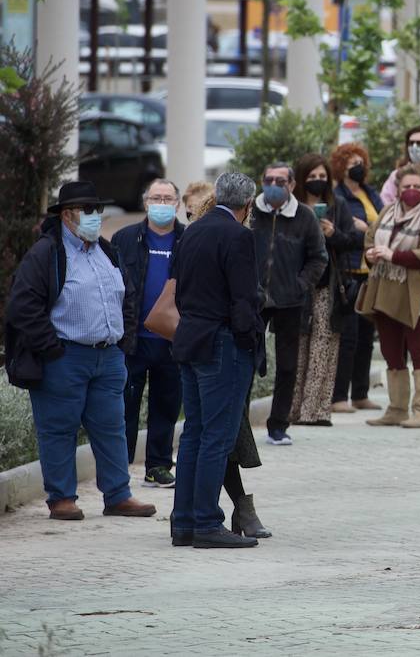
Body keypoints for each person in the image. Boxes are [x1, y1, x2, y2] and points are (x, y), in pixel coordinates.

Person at [4, 181, 157, 521]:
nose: (96, 217)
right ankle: (62, 498)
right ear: (69, 215)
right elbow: (22, 306)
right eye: (89, 210)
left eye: (98, 210)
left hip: (107, 356)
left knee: (111, 426)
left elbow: (126, 296)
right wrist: (51, 347)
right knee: (58, 428)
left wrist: (122, 343)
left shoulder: (105, 250)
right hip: (65, 356)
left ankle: (118, 495)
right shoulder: (47, 252)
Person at [170, 171, 265, 548]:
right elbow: (244, 299)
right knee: (216, 436)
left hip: (191, 337)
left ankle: (184, 523)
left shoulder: (192, 230)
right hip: (222, 342)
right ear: (248, 205)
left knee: (194, 432)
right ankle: (207, 523)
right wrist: (250, 341)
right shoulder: (239, 236)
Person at [356, 164, 420, 429]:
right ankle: (397, 409)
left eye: (417, 187)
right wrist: (371, 254)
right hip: (387, 290)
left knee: (419, 350)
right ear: (397, 189)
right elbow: (370, 240)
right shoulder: (387, 212)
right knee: (390, 351)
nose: (411, 191)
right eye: (406, 186)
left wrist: (393, 255)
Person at [112, 179, 184, 489]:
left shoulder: (188, 240)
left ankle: (158, 465)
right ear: (145, 202)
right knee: (124, 407)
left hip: (172, 340)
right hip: (133, 340)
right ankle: (120, 468)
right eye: (156, 198)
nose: (162, 204)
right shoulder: (125, 239)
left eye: (168, 198)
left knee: (166, 407)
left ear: (178, 204)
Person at [250, 161, 328, 446]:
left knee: (287, 365)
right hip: (253, 299)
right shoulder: (251, 213)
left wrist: (299, 284)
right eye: (268, 179)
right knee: (247, 361)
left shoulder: (304, 217)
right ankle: (238, 427)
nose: (273, 185)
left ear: (292, 185)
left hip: (289, 301)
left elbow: (318, 258)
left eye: (280, 181)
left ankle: (278, 425)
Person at [289, 154, 362, 427]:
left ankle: (316, 411)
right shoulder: (291, 207)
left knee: (324, 348)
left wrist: (333, 234)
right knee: (298, 348)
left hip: (329, 287)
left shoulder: (337, 205)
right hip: (298, 287)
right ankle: (293, 410)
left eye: (322, 177)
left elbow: (354, 241)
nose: (317, 182)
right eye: (312, 177)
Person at [330, 144, 384, 413]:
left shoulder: (370, 193)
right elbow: (341, 233)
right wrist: (364, 232)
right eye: (351, 161)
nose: (357, 165)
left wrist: (368, 230)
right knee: (348, 337)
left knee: (366, 337)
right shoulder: (336, 196)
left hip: (371, 273)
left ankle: (360, 394)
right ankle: (339, 396)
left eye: (361, 160)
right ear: (340, 166)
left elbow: (385, 223)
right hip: (348, 273)